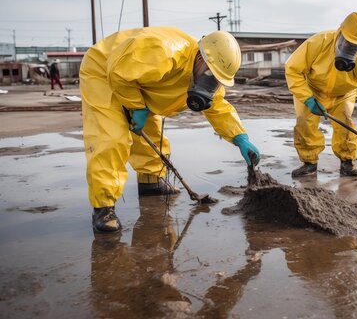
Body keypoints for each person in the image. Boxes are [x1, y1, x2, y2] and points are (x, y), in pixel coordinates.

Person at [79, 27, 260, 233]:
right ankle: (104, 208)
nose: (211, 82)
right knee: (111, 138)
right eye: (210, 75)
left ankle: (150, 182)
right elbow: (119, 73)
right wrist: (136, 106)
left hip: (137, 81)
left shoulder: (206, 77)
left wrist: (240, 138)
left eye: (217, 80)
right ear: (200, 57)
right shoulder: (163, 52)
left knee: (152, 132)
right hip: (105, 70)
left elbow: (218, 108)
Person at [284, 12, 357, 177]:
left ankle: (347, 163)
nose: (350, 49)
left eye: (355, 46)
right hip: (311, 90)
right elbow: (292, 69)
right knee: (304, 124)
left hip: (343, 95)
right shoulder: (319, 42)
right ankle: (309, 163)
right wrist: (308, 99)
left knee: (345, 124)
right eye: (348, 43)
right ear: (340, 33)